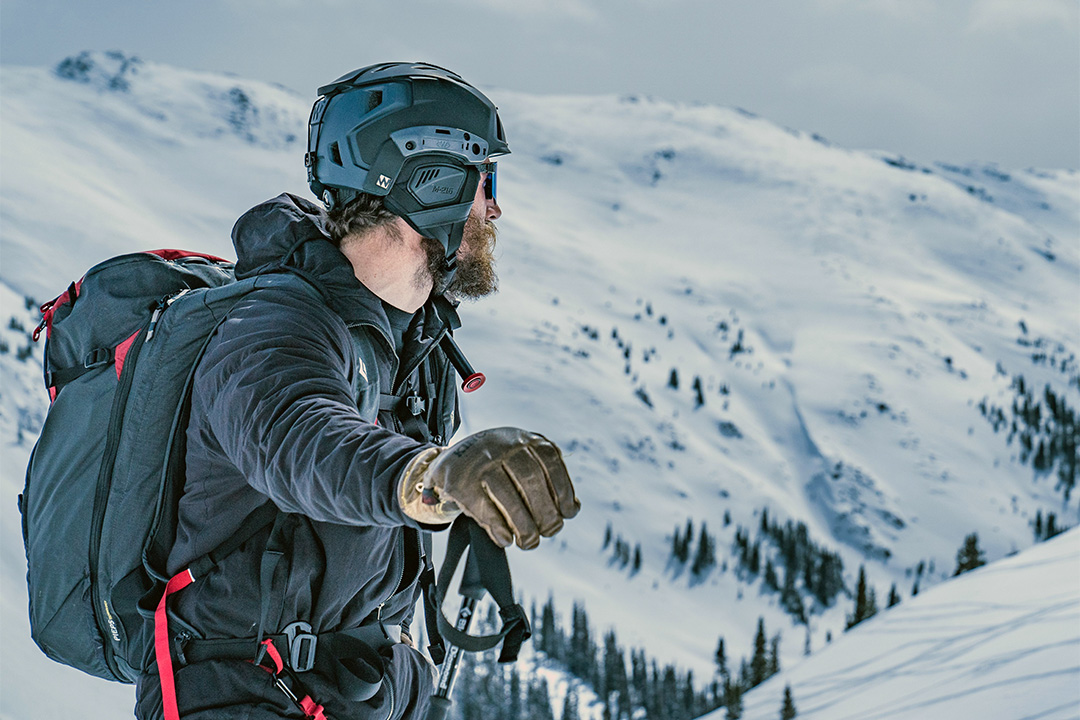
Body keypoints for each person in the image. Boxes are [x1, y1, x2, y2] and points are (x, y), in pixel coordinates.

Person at [135, 62, 580, 720]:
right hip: (240, 696)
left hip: (364, 689)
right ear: (431, 180)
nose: (494, 208)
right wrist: (432, 476)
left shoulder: (419, 346)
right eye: (485, 179)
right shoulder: (273, 325)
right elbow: (301, 441)